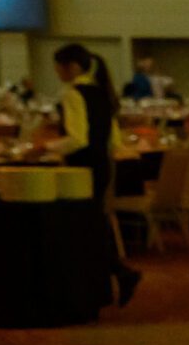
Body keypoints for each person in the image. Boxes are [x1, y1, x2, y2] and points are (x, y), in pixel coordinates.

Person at [52, 42, 142, 308]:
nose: (57, 72)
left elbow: (77, 139)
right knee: (94, 225)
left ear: (70, 67)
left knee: (84, 228)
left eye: (58, 66)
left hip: (82, 168)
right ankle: (116, 276)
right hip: (102, 165)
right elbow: (114, 140)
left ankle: (118, 275)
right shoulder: (103, 93)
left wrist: (44, 148)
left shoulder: (72, 94)